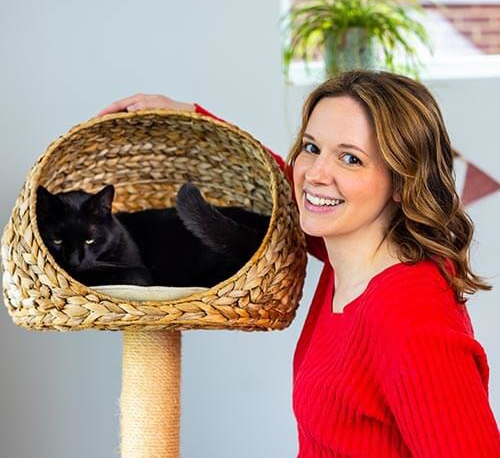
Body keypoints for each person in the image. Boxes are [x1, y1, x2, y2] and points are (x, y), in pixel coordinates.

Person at [97, 70, 500, 456]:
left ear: (402, 182)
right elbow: (293, 191)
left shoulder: (409, 317)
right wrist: (197, 119)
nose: (315, 174)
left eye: (351, 159)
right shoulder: (350, 254)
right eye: (312, 147)